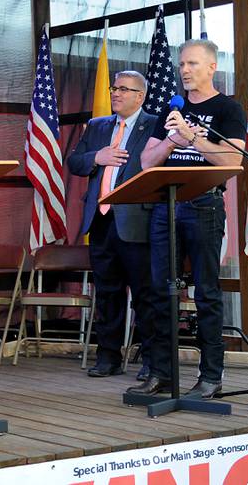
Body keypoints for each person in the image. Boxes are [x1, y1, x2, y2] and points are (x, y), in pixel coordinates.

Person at [128, 39, 245, 400]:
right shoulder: (172, 109)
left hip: (204, 205)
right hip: (166, 205)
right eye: (182, 64)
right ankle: (161, 372)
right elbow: (147, 162)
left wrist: (195, 139)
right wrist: (172, 141)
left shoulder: (227, 109)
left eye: (193, 63)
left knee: (206, 291)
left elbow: (231, 161)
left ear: (212, 67)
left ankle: (211, 376)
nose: (185, 70)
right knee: (162, 290)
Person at [68, 70, 156, 381]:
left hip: (136, 221)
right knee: (107, 292)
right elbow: (75, 163)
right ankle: (108, 357)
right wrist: (98, 156)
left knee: (146, 294)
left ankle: (152, 362)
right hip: (101, 219)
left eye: (124, 89)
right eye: (114, 87)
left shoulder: (155, 124)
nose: (115, 93)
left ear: (140, 96)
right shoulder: (97, 126)